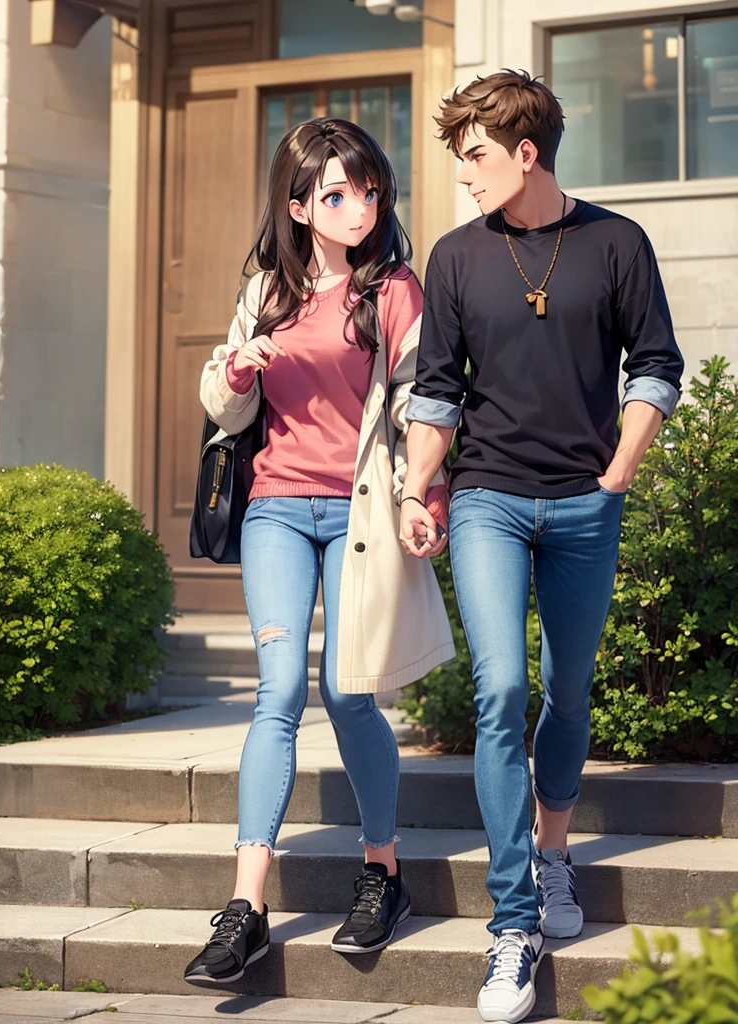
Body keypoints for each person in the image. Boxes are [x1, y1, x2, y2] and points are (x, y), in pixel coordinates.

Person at [399, 71, 684, 1023]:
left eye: (475, 155)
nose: (464, 175)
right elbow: (436, 389)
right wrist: (416, 487)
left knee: (568, 693)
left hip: (584, 506)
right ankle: (512, 923)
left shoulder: (616, 243)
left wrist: (618, 475)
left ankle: (554, 858)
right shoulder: (454, 257)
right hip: (485, 500)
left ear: (527, 152)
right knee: (501, 692)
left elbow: (655, 366)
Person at [184, 117, 454, 989]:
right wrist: (234, 371)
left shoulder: (395, 292)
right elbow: (224, 410)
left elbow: (428, 410)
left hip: (359, 513)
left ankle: (383, 871)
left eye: (369, 190)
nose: (359, 207)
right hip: (274, 509)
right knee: (279, 691)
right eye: (337, 194)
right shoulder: (267, 288)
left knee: (347, 689)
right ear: (299, 205)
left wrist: (426, 496)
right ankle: (247, 908)